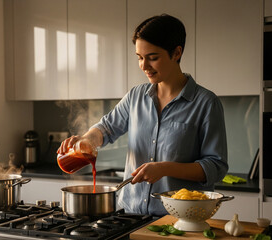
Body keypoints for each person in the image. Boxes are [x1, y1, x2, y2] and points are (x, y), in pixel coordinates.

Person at [57, 14, 228, 216]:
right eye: (139, 57)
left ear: (176, 53)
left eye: (152, 58)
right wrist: (86, 140)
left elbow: (215, 167)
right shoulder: (136, 96)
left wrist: (165, 168)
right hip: (130, 214)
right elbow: (106, 128)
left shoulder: (206, 103)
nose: (144, 66)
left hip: (179, 221)